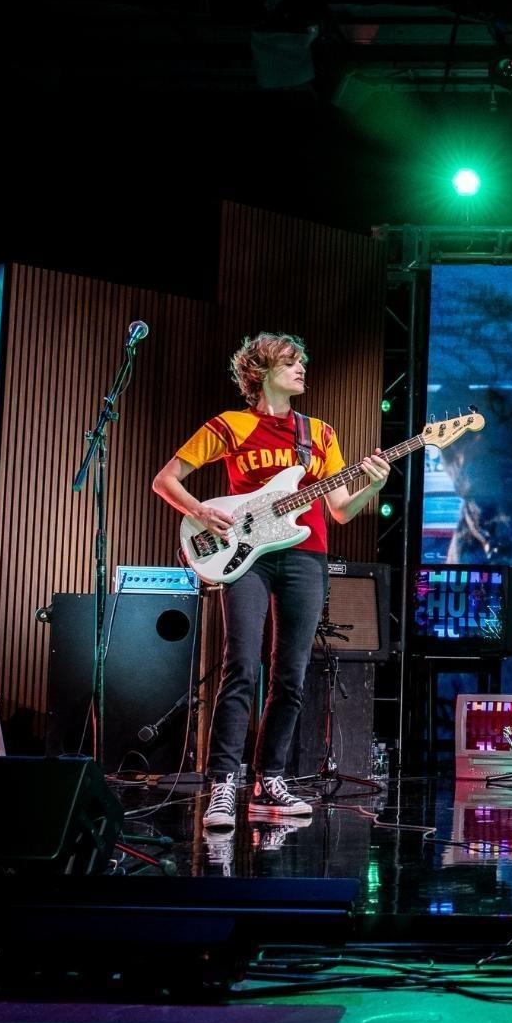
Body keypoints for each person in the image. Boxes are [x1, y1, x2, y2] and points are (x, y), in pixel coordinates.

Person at [153, 333, 389, 835]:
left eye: (302, 359)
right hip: (245, 558)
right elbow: (166, 479)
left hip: (306, 556)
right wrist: (200, 511)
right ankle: (223, 782)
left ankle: (270, 780)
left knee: (291, 675)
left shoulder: (320, 434)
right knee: (239, 665)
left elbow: (341, 510)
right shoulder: (231, 425)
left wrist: (374, 482)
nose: (302, 366)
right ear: (260, 371)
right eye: (290, 360)